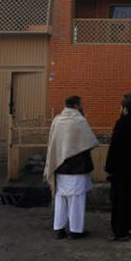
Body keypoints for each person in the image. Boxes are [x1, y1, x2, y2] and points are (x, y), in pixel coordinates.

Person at [44, 96, 99, 240]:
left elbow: (53, 143)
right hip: (77, 167)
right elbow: (91, 141)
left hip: (61, 165)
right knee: (76, 200)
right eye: (82, 104)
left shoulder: (57, 120)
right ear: (76, 106)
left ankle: (59, 229)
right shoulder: (79, 120)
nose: (83, 106)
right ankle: (75, 230)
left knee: (61, 198)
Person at [105, 93, 131, 241]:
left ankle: (119, 231)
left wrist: (109, 168)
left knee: (119, 202)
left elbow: (114, 148)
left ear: (125, 109)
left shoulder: (121, 124)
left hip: (120, 171)